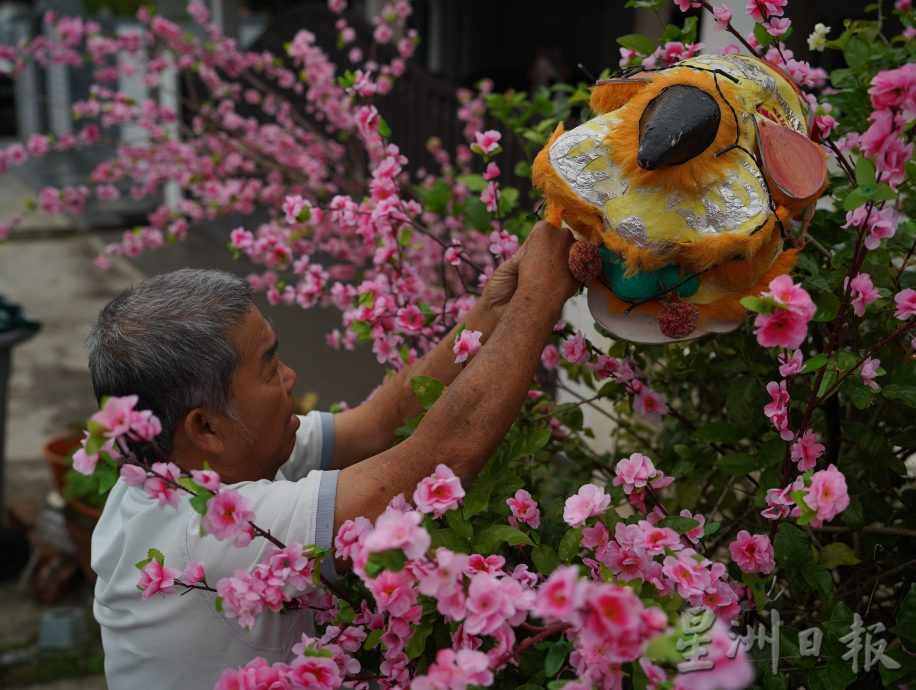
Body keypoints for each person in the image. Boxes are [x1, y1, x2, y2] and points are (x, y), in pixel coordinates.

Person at [88, 221, 577, 689]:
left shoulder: (186, 471)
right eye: (269, 366)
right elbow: (440, 461)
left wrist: (495, 308)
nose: (291, 377)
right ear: (207, 427)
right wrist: (541, 298)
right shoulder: (211, 536)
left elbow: (378, 424)